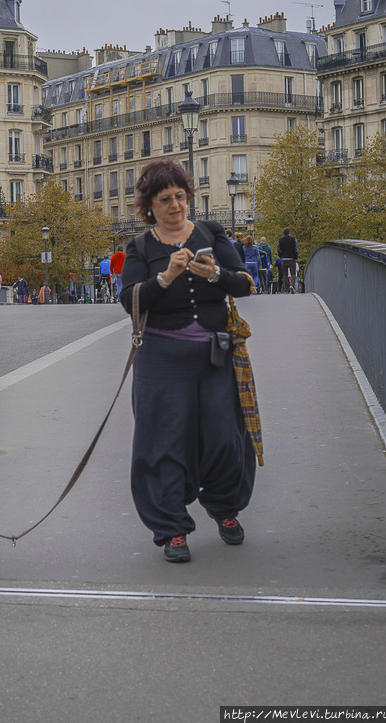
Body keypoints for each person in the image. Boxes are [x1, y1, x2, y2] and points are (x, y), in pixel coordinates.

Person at [120, 159, 256, 564]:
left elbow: (245, 284)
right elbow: (129, 300)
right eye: (166, 200)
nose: (176, 206)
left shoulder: (211, 233)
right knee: (164, 444)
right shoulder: (141, 247)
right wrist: (163, 280)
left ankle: (225, 509)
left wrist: (215, 275)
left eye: (180, 196)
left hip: (214, 356)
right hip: (161, 360)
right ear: (150, 207)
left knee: (224, 437)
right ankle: (172, 529)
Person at [277, 227, 299, 293]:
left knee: (285, 275)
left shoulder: (280, 240)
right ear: (289, 232)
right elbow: (296, 248)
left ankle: (286, 289)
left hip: (284, 259)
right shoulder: (293, 239)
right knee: (293, 273)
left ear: (283, 233)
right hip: (292, 258)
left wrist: (281, 255)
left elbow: (278, 249)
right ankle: (292, 286)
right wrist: (296, 256)